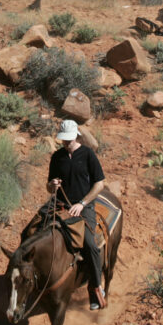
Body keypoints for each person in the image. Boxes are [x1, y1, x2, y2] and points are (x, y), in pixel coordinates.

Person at [46, 119, 107, 310]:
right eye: (63, 140)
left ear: (76, 137)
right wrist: (52, 185)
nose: (65, 143)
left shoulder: (88, 154)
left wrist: (82, 203)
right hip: (61, 204)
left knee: (90, 243)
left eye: (68, 140)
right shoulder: (57, 157)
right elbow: (49, 187)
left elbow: (99, 184)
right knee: (35, 229)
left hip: (84, 206)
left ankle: (96, 288)